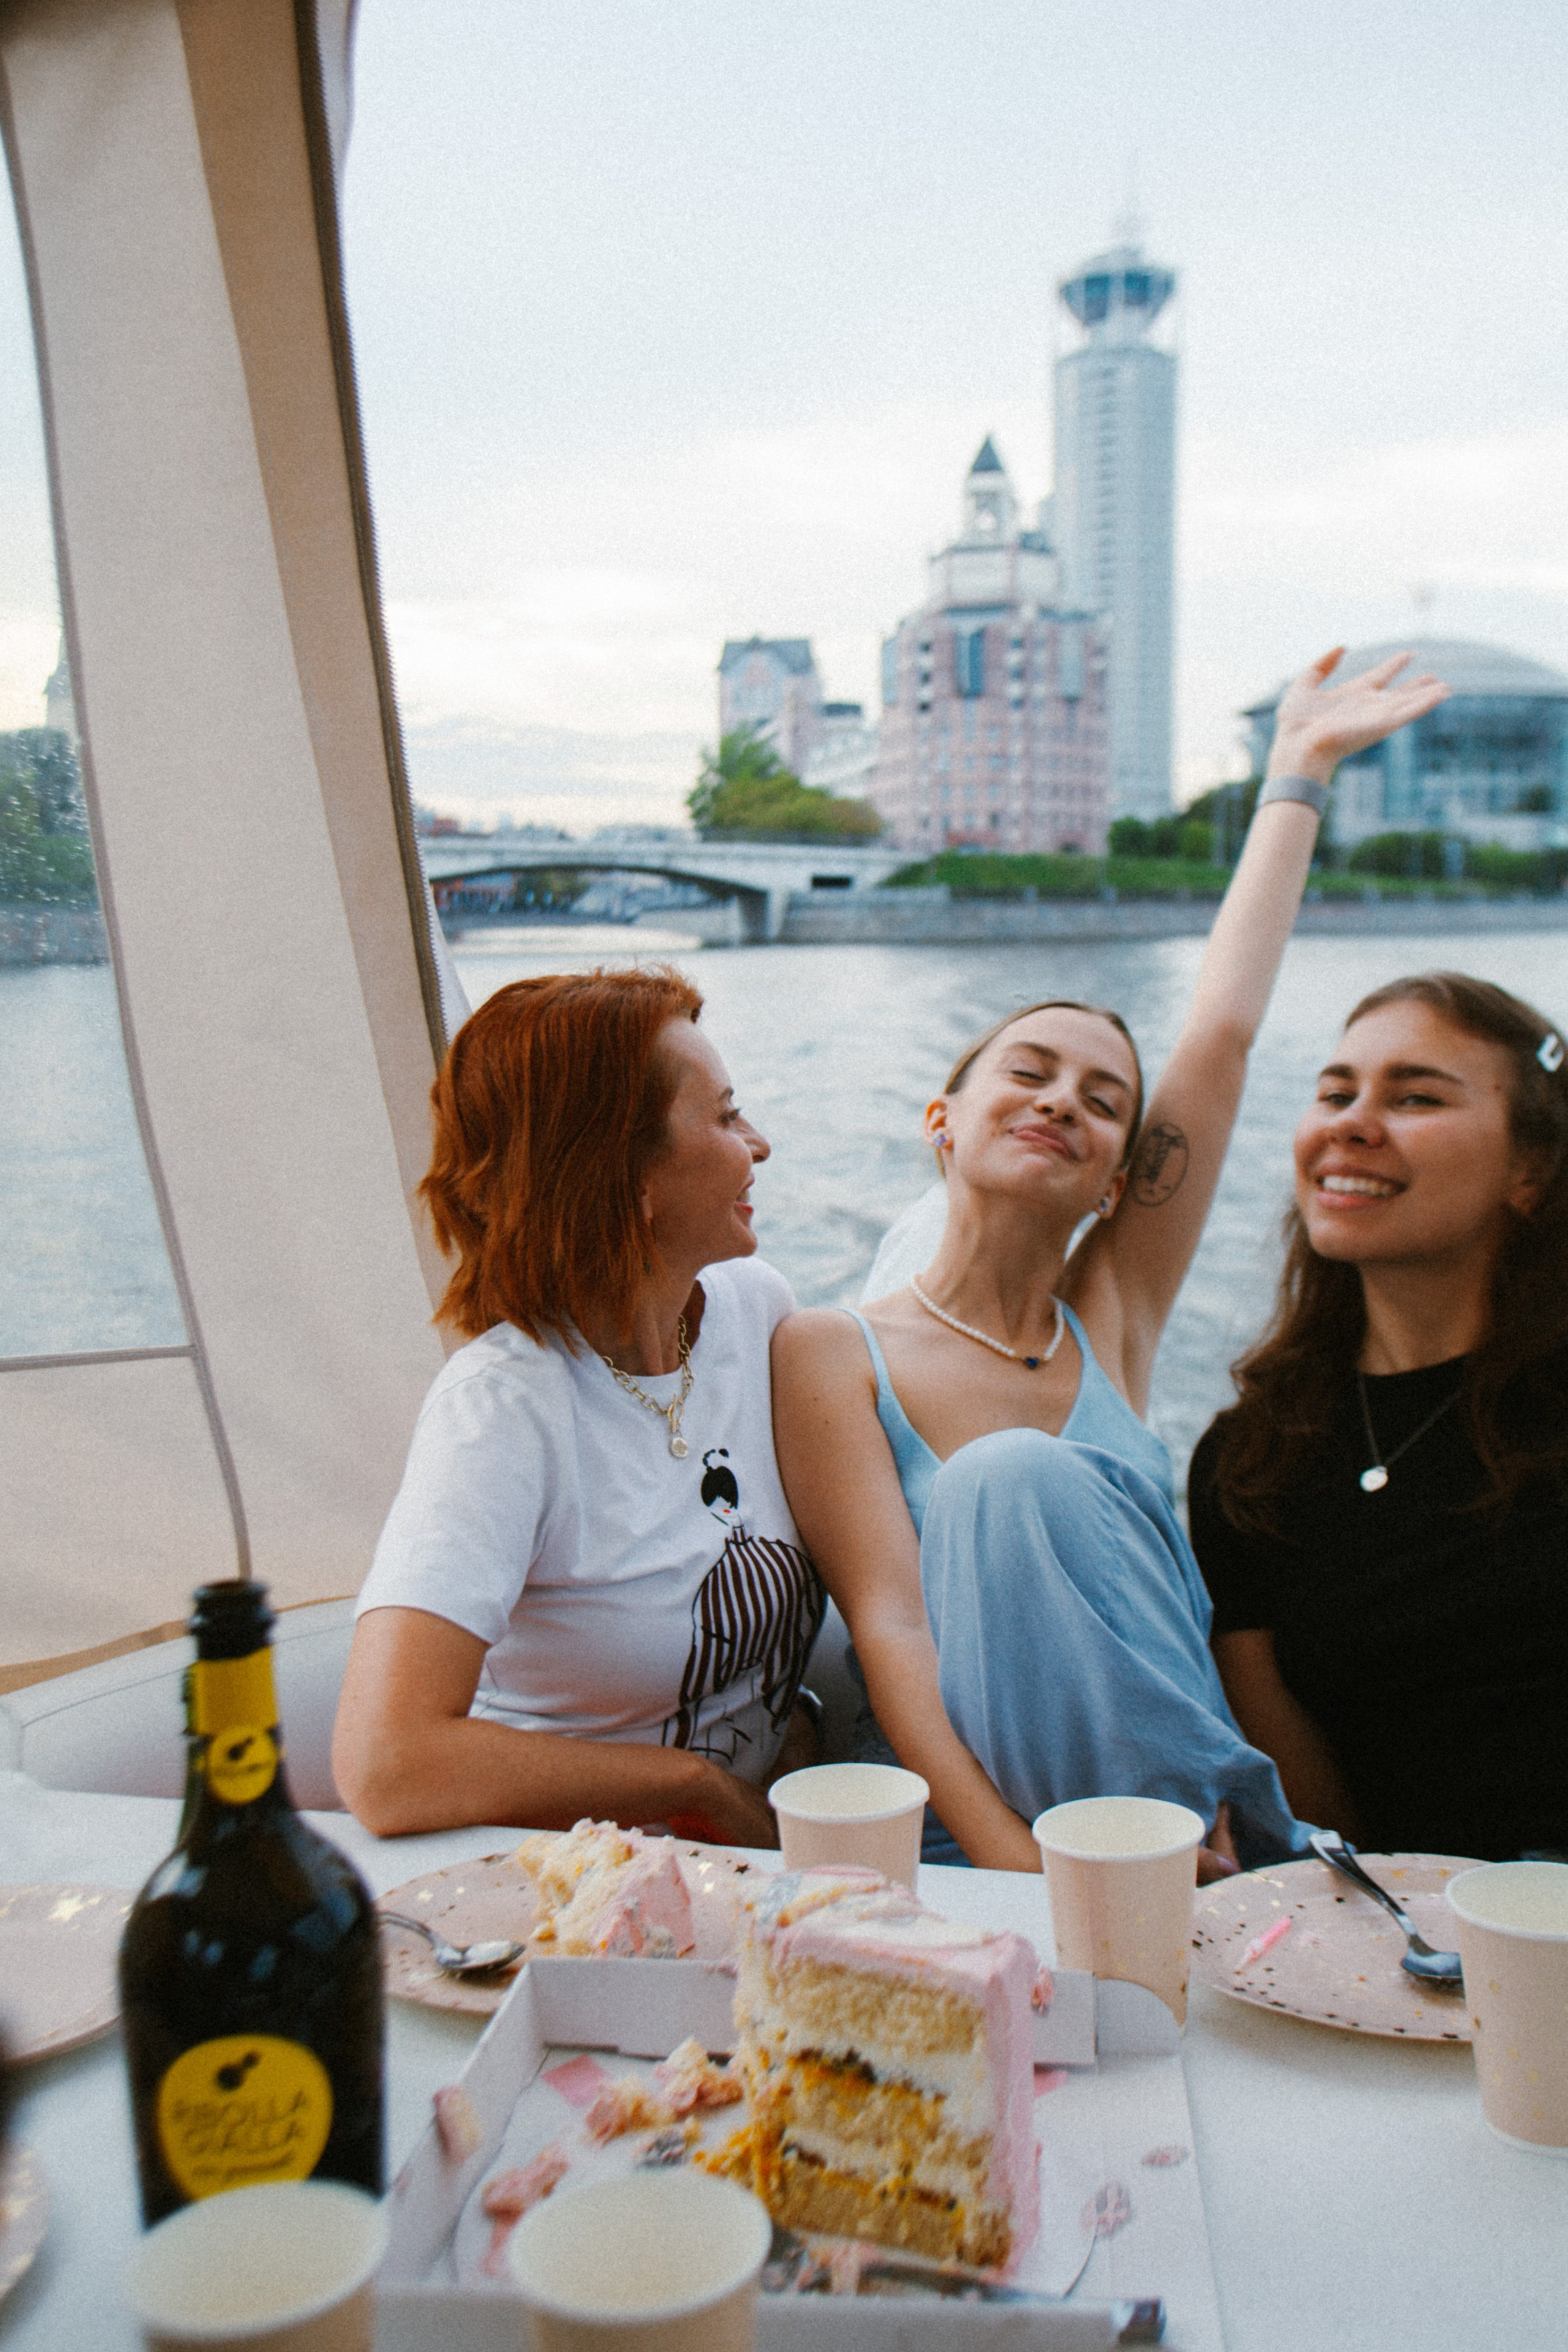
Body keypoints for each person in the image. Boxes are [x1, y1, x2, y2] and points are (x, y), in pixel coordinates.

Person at [771, 649, 1450, 1874]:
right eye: (1025, 1074)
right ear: (943, 1118)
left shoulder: (1112, 1317)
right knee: (1002, 1480)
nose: (1058, 1102)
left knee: (1021, 1475)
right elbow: (890, 1633)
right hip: (990, 1832)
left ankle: (1232, 1857)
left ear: (1114, 1177)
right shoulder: (832, 1350)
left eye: (1099, 1101)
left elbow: (1222, 1033)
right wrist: (1033, 1874)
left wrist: (1293, 770)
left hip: (1191, 1827)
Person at [333, 967, 824, 1842]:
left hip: (755, 1866)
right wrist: (696, 1788)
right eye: (723, 1116)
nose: (758, 1143)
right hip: (575, 1880)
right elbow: (387, 1764)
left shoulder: (757, 1309)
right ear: (624, 1176)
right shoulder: (504, 1408)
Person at [1190, 972, 1568, 1863]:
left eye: (1415, 1096)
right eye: (1335, 1093)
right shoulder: (1250, 1462)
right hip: (1400, 1953)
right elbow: (1320, 1817)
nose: (1350, 1124)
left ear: (1531, 1169)